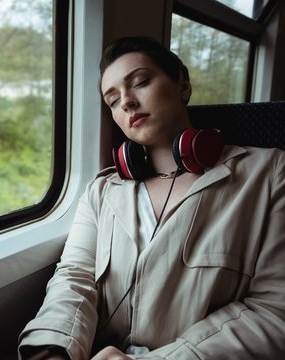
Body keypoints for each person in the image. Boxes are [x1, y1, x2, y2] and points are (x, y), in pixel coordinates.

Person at [18, 36, 285, 359]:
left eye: (140, 82)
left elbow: (274, 309)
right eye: (113, 100)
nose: (127, 102)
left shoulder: (269, 173)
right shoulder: (101, 191)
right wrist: (54, 346)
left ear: (183, 86)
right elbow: (75, 276)